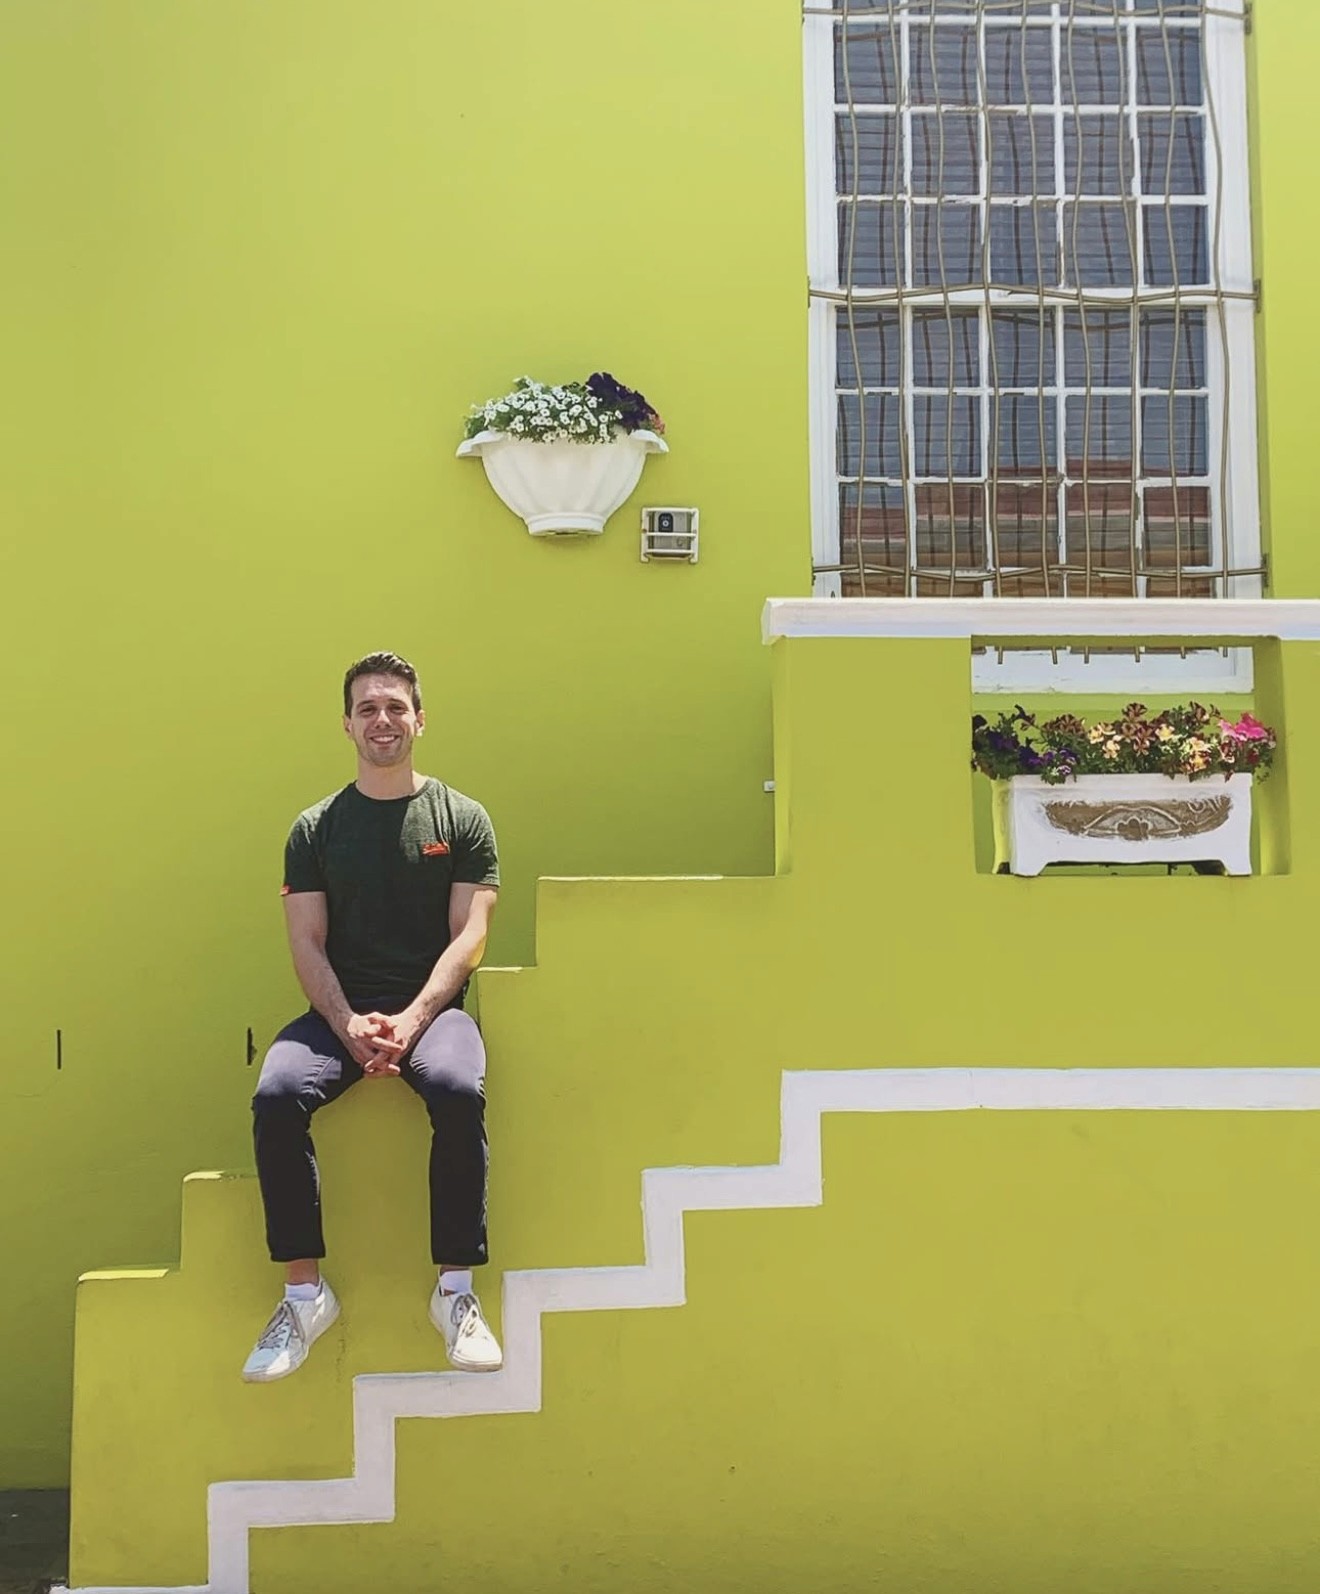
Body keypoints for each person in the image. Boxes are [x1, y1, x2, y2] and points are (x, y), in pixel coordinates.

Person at [242, 650, 502, 1382]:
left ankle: (455, 1294)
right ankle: (303, 1295)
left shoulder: (462, 818)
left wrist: (414, 1018)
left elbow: (470, 939)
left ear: (420, 718)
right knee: (276, 1095)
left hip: (435, 1010)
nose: (382, 719)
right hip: (336, 1012)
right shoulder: (316, 828)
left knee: (457, 1089)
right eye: (367, 709)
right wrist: (350, 1021)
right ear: (347, 725)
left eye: (395, 706)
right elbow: (305, 941)